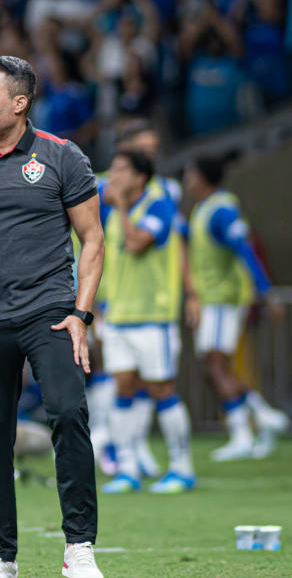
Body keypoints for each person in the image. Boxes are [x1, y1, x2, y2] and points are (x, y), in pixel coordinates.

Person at [0, 55, 105, 578]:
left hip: (51, 314)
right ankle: (1, 557)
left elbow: (94, 240)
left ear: (20, 102)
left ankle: (79, 548)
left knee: (68, 414)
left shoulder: (62, 156)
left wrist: (82, 313)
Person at [98, 150, 195, 495]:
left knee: (161, 389)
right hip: (120, 316)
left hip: (155, 317)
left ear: (141, 177)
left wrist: (121, 205)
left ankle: (182, 468)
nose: (114, 175)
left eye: (122, 169)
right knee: (122, 387)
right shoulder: (110, 214)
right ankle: (127, 468)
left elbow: (137, 243)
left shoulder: (159, 206)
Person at [182, 155, 289, 461]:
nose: (187, 180)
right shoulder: (203, 209)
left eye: (191, 173)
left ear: (203, 177)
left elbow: (245, 249)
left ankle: (247, 429)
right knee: (216, 368)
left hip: (223, 300)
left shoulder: (222, 210)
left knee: (215, 367)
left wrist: (268, 293)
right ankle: (262, 419)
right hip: (211, 299)